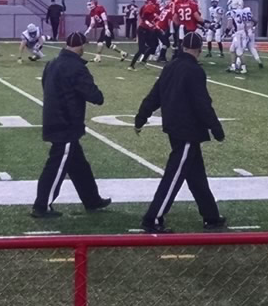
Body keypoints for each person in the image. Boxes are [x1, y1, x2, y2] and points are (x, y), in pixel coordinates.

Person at [135, 34, 228, 234]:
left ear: (182, 46)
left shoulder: (170, 66)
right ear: (199, 49)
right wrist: (216, 128)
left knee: (196, 176)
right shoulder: (194, 71)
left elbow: (155, 95)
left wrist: (141, 117)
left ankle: (211, 215)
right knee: (174, 175)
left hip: (174, 127)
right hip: (187, 130)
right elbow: (202, 103)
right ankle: (153, 218)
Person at [33, 33, 112, 219]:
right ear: (81, 46)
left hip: (54, 118)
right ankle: (42, 205)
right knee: (56, 165)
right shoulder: (76, 67)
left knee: (79, 165)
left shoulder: (52, 64)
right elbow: (95, 96)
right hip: (66, 123)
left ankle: (92, 199)